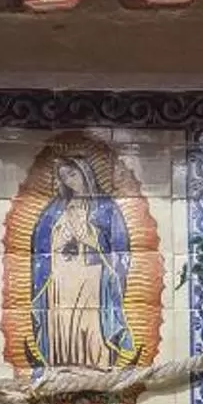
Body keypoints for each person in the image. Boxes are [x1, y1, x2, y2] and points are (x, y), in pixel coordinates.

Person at [30, 148, 138, 368]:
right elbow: (42, 243)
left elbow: (117, 246)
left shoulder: (105, 207)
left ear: (85, 172)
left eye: (73, 174)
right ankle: (62, 367)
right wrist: (60, 238)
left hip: (92, 274)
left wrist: (87, 235)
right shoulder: (56, 208)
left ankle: (97, 368)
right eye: (64, 177)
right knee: (62, 319)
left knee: (90, 321)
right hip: (61, 275)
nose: (69, 181)